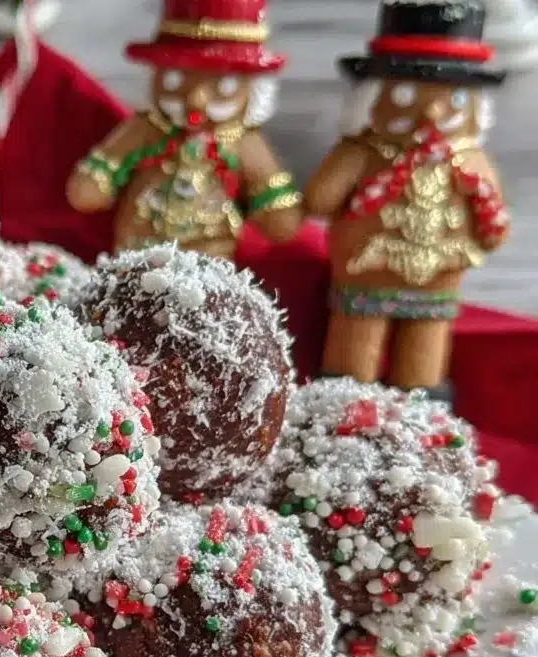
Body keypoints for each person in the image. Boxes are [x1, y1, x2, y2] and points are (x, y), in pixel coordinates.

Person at [306, 0, 510, 393]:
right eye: (404, 94)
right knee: (355, 346)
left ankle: (421, 402)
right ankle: (343, 401)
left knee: (424, 351)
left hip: (438, 279)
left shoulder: (470, 162)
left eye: (453, 98)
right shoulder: (363, 152)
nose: (432, 110)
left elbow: (494, 229)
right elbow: (320, 200)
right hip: (365, 275)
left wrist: (479, 202)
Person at [66, 0, 303, 257]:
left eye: (223, 86)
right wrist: (96, 180)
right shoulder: (147, 129)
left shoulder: (244, 143)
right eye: (174, 79)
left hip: (210, 254)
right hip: (138, 248)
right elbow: (87, 191)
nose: (195, 100)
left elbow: (281, 221)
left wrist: (276, 207)